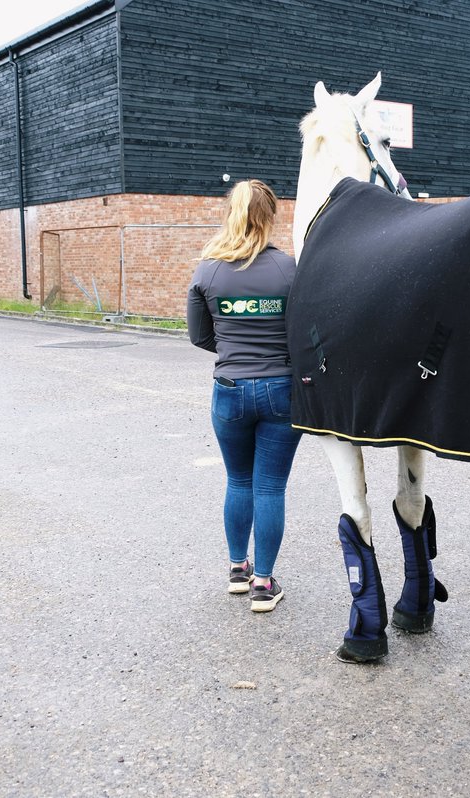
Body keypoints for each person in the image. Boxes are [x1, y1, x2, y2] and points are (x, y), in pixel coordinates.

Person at [187, 179, 301, 613]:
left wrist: (236, 353)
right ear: (270, 216)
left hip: (229, 390)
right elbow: (303, 334)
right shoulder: (289, 269)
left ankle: (238, 569)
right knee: (269, 486)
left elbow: (200, 337)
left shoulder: (208, 270)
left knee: (238, 480)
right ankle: (263, 584)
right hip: (281, 391)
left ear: (230, 213)